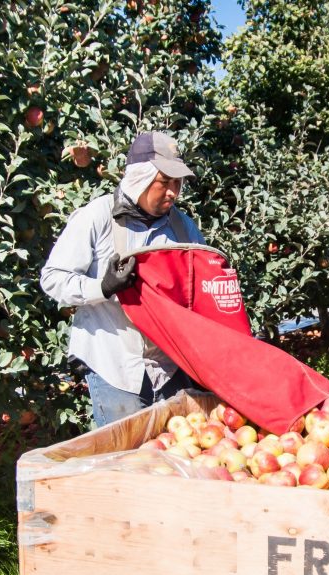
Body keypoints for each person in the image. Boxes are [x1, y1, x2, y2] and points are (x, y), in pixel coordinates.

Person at [41, 131, 206, 427]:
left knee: (175, 453)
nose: (173, 192)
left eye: (178, 183)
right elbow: (53, 279)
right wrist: (102, 287)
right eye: (165, 182)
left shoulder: (183, 226)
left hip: (169, 365)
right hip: (114, 365)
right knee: (124, 458)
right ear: (140, 178)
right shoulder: (98, 217)